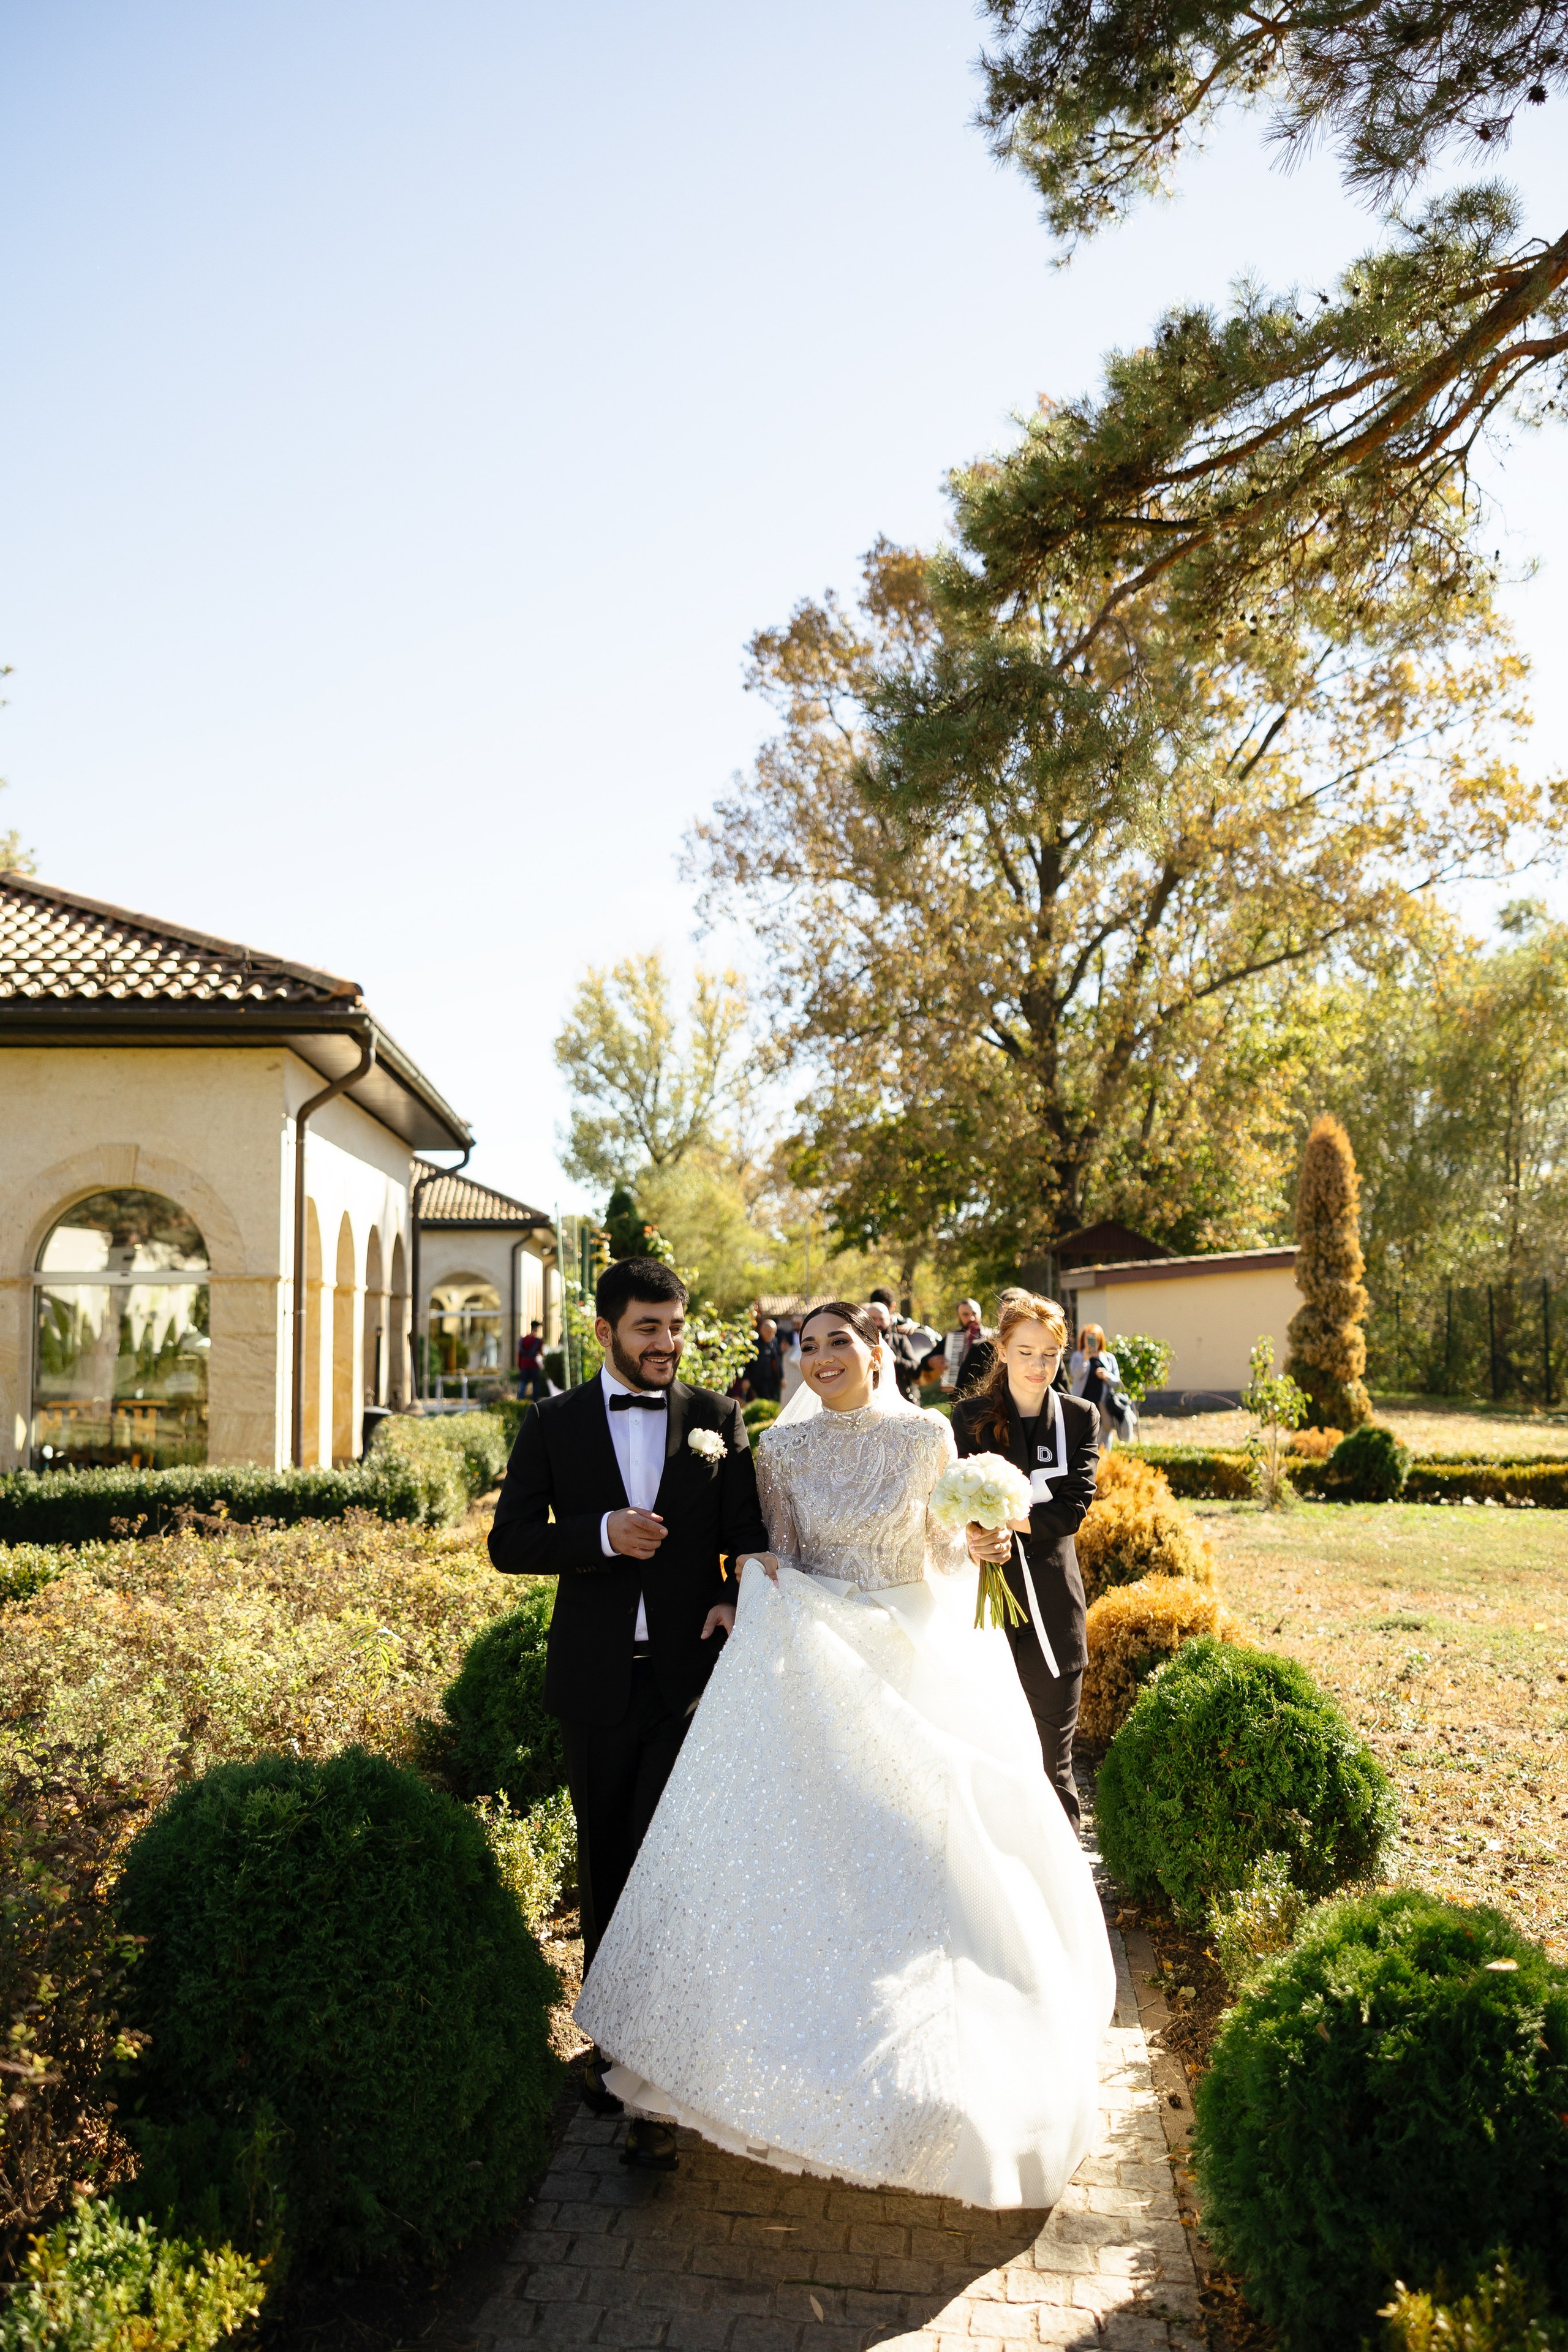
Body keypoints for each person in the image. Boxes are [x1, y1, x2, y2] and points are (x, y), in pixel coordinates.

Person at [575, 1299, 1115, 2207]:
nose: (821, 1358)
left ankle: (928, 2066)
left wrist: (979, 1540)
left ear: (878, 1352)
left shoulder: (922, 1440)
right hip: (820, 1664)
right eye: (807, 1345)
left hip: (913, 1652)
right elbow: (775, 1553)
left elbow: (942, 1554)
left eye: (840, 1343)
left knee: (925, 1848)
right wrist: (746, 1589)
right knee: (801, 1851)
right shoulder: (777, 1453)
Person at [488, 1256, 772, 2166]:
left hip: (685, 1681)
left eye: (676, 1328)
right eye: (649, 1328)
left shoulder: (717, 1419)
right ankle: (611, 2040)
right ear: (605, 1330)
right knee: (608, 1857)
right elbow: (509, 1542)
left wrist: (734, 1596)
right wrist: (601, 1535)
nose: (667, 1345)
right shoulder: (554, 1424)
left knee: (668, 1861)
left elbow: (746, 1530)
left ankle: (661, 2069)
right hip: (597, 1682)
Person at [951, 1295, 1099, 1828]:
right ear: (1002, 1350)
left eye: (1052, 1354)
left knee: (1051, 1761)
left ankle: (1063, 1887)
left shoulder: (1081, 1417)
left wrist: (1002, 1512)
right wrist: (971, 1533)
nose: (1039, 1367)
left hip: (1055, 1611)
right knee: (990, 1755)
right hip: (984, 1610)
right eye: (1027, 1352)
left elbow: (1073, 1509)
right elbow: (947, 1504)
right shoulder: (968, 1418)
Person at [1070, 1324, 1123, 1452]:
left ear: (1100, 1340)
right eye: (1088, 1339)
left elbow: (1118, 1382)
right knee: (1083, 1436)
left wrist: (1106, 1376)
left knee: (1104, 1437)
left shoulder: (1109, 1358)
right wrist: (1085, 1359)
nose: (1092, 1343)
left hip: (1103, 1405)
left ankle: (1103, 1463)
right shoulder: (1078, 1356)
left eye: (1094, 1340)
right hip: (1083, 1404)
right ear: (1084, 1340)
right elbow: (1075, 1375)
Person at [742, 1314, 783, 1404]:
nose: (771, 1335)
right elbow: (746, 1363)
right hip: (756, 1380)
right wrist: (746, 1378)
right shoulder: (753, 1343)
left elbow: (778, 1360)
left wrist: (781, 1377)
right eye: (768, 1332)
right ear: (761, 1330)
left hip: (771, 1380)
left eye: (773, 1332)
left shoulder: (774, 1341)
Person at [515, 1320, 546, 1402]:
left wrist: (519, 1365)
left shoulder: (522, 1340)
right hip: (533, 1364)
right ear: (536, 1328)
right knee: (535, 1384)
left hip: (524, 1364)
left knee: (523, 1383)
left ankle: (520, 1400)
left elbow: (519, 1354)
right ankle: (535, 1401)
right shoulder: (537, 1340)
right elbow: (540, 1352)